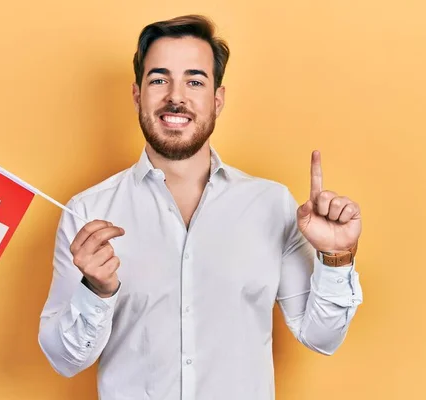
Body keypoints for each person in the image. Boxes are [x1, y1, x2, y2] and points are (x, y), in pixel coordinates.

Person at [38, 14, 363, 400]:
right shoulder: (87, 211)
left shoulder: (271, 204)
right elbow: (64, 360)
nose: (176, 96)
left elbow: (322, 337)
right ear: (137, 94)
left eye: (195, 81)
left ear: (217, 99)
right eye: (159, 79)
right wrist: (96, 290)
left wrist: (336, 256)